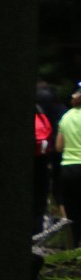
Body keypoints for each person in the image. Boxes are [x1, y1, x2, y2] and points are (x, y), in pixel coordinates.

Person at [60, 91, 81, 225]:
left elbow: (58, 146)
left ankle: (73, 243)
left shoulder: (65, 117)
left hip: (68, 168)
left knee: (72, 211)